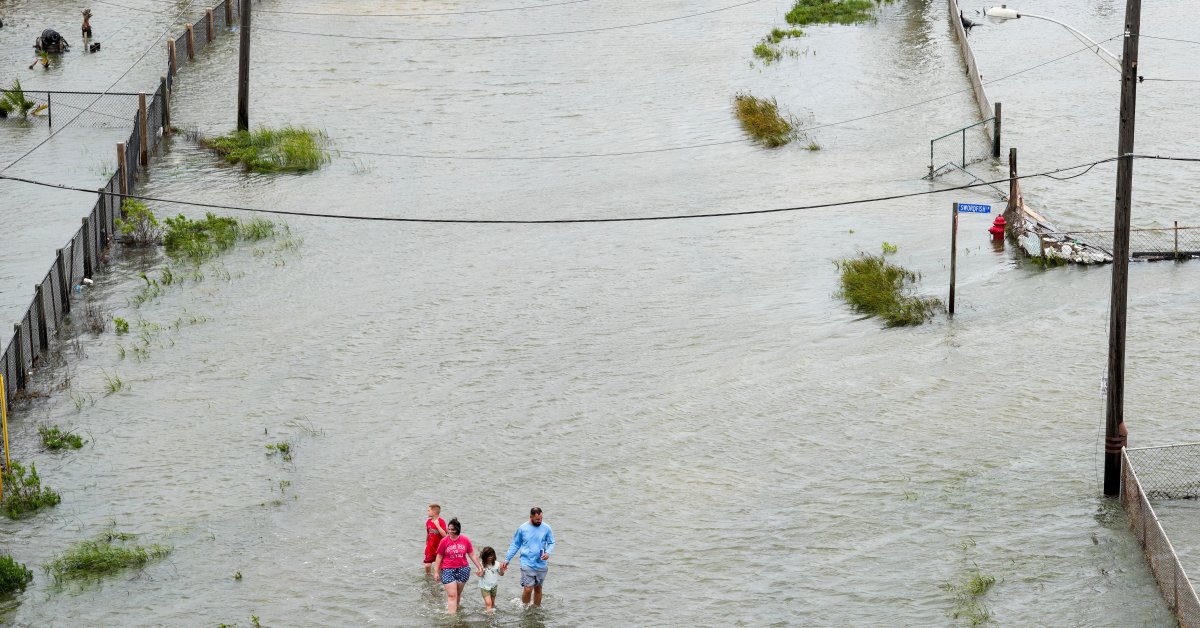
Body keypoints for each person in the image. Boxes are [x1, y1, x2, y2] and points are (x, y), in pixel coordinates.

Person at [500, 506, 555, 608]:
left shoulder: (546, 528)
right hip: (526, 562)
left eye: (541, 519)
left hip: (541, 563)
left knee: (538, 588)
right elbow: (515, 544)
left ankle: (536, 609)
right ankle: (525, 609)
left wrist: (548, 552)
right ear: (531, 516)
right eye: (537, 519)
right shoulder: (522, 528)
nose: (540, 521)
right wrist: (507, 559)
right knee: (528, 589)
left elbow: (551, 542)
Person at [432, 518, 482, 614]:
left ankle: (457, 610)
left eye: (452, 529)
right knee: (452, 595)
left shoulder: (465, 540)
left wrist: (479, 567)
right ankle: (452, 617)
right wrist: (436, 572)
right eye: (449, 529)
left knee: (458, 594)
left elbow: (471, 554)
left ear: (457, 529)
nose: (450, 531)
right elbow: (439, 557)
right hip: (447, 570)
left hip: (463, 569)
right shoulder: (444, 541)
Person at [424, 504, 447, 575]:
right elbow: (428, 533)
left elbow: (445, 535)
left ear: (434, 512)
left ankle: (437, 578)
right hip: (430, 547)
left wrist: (437, 525)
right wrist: (426, 543)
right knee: (427, 565)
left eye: (429, 510)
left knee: (438, 568)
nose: (427, 512)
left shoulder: (441, 521)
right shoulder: (428, 521)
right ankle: (428, 577)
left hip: (439, 548)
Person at [476, 546, 502, 613]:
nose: (490, 557)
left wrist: (502, 569)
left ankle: (492, 614)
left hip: (494, 586)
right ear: (485, 557)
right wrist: (480, 573)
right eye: (488, 555)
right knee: (488, 603)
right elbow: (480, 574)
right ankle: (489, 617)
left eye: (492, 555)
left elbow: (501, 574)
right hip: (484, 587)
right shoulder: (481, 564)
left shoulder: (497, 564)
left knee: (492, 603)